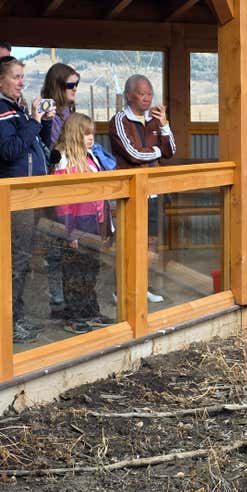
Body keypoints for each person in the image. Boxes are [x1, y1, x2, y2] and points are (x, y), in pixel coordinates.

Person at [0, 56, 55, 342]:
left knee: (20, 259)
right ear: (1, 80)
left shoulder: (16, 110)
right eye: (16, 77)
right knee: (15, 259)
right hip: (14, 196)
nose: (22, 82)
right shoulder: (1, 111)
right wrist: (33, 121)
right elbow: (9, 151)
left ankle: (16, 318)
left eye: (23, 76)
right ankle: (8, 324)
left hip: (28, 194)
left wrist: (42, 123)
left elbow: (37, 146)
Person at [109, 74, 176, 303]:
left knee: (150, 243)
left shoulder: (155, 120)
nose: (147, 98)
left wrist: (165, 124)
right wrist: (157, 152)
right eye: (142, 93)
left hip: (153, 191)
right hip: (131, 193)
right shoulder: (120, 120)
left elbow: (171, 151)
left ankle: (141, 286)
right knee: (129, 242)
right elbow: (133, 154)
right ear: (129, 95)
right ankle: (121, 289)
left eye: (150, 94)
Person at [51, 113, 114, 334]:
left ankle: (90, 311)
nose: (91, 138)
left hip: (94, 224)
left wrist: (106, 227)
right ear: (75, 134)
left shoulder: (91, 158)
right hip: (76, 224)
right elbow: (62, 202)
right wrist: (70, 233)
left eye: (93, 133)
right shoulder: (62, 159)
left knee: (91, 269)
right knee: (74, 273)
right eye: (86, 133)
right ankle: (73, 316)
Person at [41, 62, 80, 315]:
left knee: (73, 241)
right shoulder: (51, 115)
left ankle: (71, 293)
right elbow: (54, 149)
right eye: (70, 85)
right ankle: (57, 296)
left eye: (77, 84)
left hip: (74, 183)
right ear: (58, 86)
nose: (75, 89)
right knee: (56, 241)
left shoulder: (70, 113)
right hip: (55, 183)